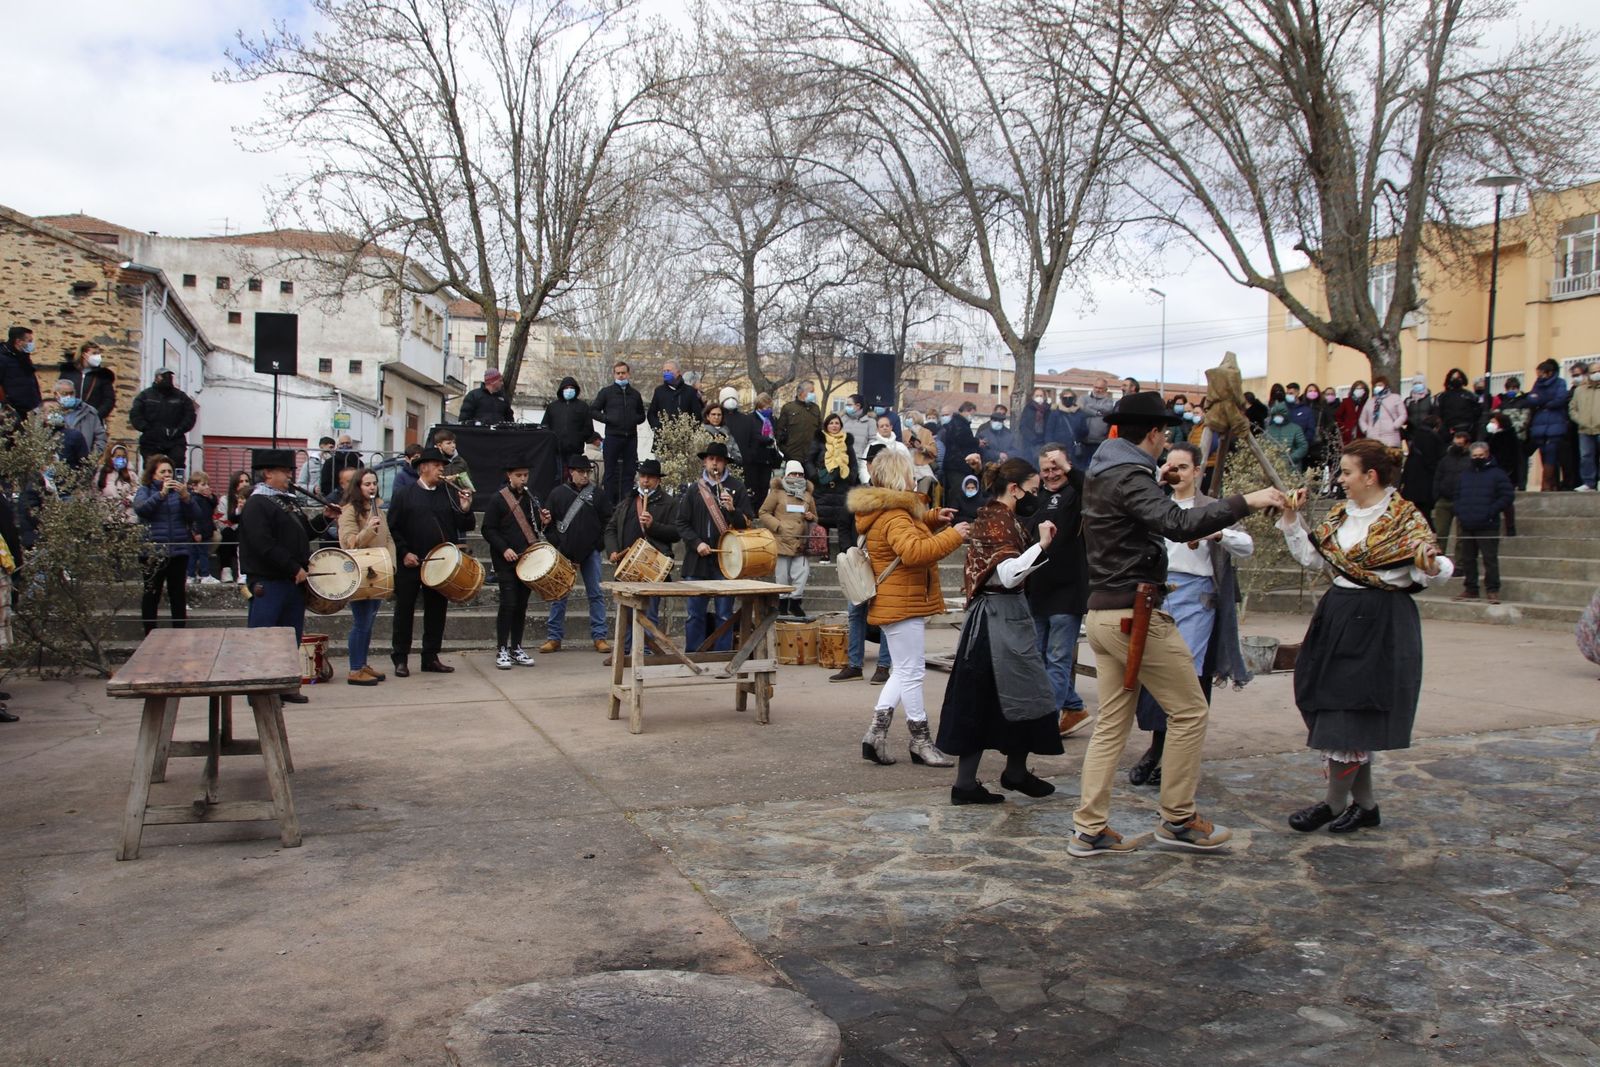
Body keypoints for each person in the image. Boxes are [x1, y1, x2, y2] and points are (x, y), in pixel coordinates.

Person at [1069, 391, 1288, 857]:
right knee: (1190, 711)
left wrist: (1154, 474)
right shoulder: (1130, 475)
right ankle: (1179, 819)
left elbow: (1137, 504)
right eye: (1163, 435)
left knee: (1112, 722)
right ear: (1152, 434)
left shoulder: (1106, 472)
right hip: (1136, 612)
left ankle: (1089, 827)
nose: (1165, 443)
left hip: (1105, 613)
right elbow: (1176, 522)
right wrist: (1246, 500)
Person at [1276, 439, 1451, 834]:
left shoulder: (1405, 519)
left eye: (1347, 472)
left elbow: (1431, 569)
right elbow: (1314, 556)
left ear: (1370, 476)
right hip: (1337, 613)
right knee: (1329, 704)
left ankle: (1335, 803)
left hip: (1380, 619)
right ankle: (1366, 806)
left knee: (1350, 712)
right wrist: (1290, 518)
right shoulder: (1342, 515)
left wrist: (1432, 563)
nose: (1341, 479)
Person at [1126, 442, 1255, 787]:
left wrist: (1219, 532)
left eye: (1183, 467)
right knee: (1154, 673)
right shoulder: (1157, 506)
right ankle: (1156, 749)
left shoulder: (1211, 508)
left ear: (1197, 471)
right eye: (1170, 467)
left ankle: (1174, 756)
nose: (1176, 473)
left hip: (1197, 601)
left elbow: (1247, 546)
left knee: (1186, 676)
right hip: (1159, 594)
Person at [851, 447, 969, 768]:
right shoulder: (895, 516)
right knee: (913, 673)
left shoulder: (888, 511)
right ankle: (920, 742)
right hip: (902, 603)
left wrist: (932, 518)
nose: (913, 477)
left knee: (903, 671)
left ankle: (875, 735)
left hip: (895, 601)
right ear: (897, 476)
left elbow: (907, 532)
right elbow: (915, 551)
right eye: (908, 472)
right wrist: (955, 536)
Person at [387, 445, 475, 675]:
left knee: (437, 610)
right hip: (411, 562)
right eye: (437, 466)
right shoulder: (404, 494)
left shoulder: (447, 493)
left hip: (440, 563)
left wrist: (465, 508)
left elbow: (465, 525)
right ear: (423, 467)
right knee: (404, 610)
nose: (441, 470)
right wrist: (404, 552)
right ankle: (400, 657)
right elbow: (393, 528)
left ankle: (430, 656)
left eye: (442, 466)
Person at [237, 449, 315, 702]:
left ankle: (284, 685)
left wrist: (325, 517)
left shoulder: (286, 501)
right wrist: (293, 567)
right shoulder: (257, 503)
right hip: (269, 580)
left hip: (290, 581)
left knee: (290, 635)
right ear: (268, 473)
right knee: (265, 637)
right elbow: (263, 544)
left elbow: (304, 533)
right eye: (284, 472)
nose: (289, 476)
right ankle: (260, 692)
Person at [1027, 443, 1090, 737]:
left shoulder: (1079, 495)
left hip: (1067, 592)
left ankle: (1044, 724)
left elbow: (1092, 487)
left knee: (1057, 660)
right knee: (1038, 660)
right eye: (1046, 469)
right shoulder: (1041, 498)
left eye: (1057, 468)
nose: (1051, 474)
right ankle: (1074, 708)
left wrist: (1070, 471)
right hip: (1038, 591)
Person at [677, 441, 753, 654]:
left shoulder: (737, 487)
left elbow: (746, 523)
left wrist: (732, 509)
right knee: (695, 613)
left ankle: (723, 656)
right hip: (697, 561)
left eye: (719, 460)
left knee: (724, 614)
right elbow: (682, 523)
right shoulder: (694, 490)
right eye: (711, 459)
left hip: (726, 561)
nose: (715, 464)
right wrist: (696, 543)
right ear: (704, 462)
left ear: (725, 463)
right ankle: (694, 655)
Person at [604, 458, 679, 649]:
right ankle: (626, 651)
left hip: (653, 565)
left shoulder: (669, 503)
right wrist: (613, 550)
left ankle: (646, 651)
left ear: (658, 481)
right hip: (628, 565)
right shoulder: (628, 501)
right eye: (643, 476)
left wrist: (653, 526)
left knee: (649, 611)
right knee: (627, 611)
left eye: (650, 478)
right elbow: (611, 528)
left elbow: (677, 533)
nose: (645, 481)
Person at [540, 455, 612, 653]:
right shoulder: (557, 494)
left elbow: (608, 522)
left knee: (595, 595)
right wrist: (559, 544)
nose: (585, 475)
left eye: (587, 472)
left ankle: (600, 636)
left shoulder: (598, 495)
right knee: (559, 595)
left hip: (591, 552)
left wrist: (598, 545)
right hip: (564, 553)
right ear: (571, 472)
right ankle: (554, 637)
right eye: (581, 472)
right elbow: (548, 524)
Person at [482, 458, 548, 668]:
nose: (523, 479)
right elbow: (488, 529)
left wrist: (543, 520)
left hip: (526, 558)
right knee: (508, 603)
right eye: (518, 475)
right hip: (506, 560)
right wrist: (504, 548)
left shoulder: (530, 498)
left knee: (521, 605)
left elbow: (534, 528)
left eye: (525, 475)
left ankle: (516, 647)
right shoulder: (498, 499)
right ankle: (502, 648)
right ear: (509, 476)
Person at [132, 454, 202, 635]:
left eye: (169, 471)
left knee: (177, 594)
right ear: (153, 474)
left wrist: (187, 498)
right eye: (162, 471)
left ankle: (178, 633)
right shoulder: (145, 490)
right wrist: (161, 495)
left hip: (178, 551)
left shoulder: (180, 493)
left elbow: (195, 515)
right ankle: (149, 633)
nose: (167, 474)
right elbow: (142, 509)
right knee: (151, 594)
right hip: (153, 552)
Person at [337, 467, 394, 685]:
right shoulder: (349, 510)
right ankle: (354, 669)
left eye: (374, 483)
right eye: (367, 484)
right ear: (358, 487)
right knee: (361, 622)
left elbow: (388, 538)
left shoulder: (378, 509)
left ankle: (362, 663)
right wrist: (369, 528)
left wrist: (391, 565)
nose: (372, 487)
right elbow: (349, 542)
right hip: (360, 572)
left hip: (378, 571)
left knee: (369, 621)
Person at [1451, 441, 1514, 604]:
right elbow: (1456, 495)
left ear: (1487, 454)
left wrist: (1491, 511)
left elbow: (1507, 496)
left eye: (1480, 455)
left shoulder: (1498, 474)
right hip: (1467, 523)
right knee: (1468, 558)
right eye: (1474, 456)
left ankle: (1492, 590)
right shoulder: (1465, 475)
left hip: (1488, 524)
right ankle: (1471, 588)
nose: (1477, 458)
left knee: (1490, 559)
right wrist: (1460, 511)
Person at [758, 460, 818, 620]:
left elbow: (815, 517)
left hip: (801, 541)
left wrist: (811, 517)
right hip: (782, 540)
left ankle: (795, 602)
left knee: (801, 573)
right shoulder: (776, 493)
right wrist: (777, 526)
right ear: (787, 475)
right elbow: (763, 512)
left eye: (800, 474)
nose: (797, 477)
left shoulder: (807, 495)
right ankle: (782, 604)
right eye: (793, 474)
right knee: (782, 575)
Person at [592, 361, 647, 503]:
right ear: (614, 374)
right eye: (618, 373)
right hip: (612, 437)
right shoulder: (606, 392)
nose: (621, 376)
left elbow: (642, 415)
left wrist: (633, 419)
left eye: (623, 373)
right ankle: (609, 505)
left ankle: (627, 504)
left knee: (629, 473)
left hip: (630, 438)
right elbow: (593, 410)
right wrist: (607, 418)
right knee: (609, 472)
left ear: (628, 374)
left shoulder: (635, 394)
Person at [808, 412, 859, 552]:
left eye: (837, 423)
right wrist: (815, 477)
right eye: (831, 423)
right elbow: (809, 461)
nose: (834, 426)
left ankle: (844, 551)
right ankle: (824, 552)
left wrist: (850, 478)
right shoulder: (819, 441)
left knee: (842, 520)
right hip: (823, 488)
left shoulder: (846, 442)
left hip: (842, 488)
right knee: (823, 520)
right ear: (826, 425)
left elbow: (854, 464)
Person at [128, 367, 197, 464]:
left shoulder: (181, 397)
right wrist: (148, 429)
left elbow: (190, 415)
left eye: (169, 376)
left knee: (177, 465)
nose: (168, 379)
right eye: (164, 376)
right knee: (151, 467)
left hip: (175, 440)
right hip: (151, 440)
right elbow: (135, 414)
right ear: (156, 378)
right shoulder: (145, 396)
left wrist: (179, 429)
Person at [1525, 358, 1570, 492]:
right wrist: (1543, 399)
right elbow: (1531, 398)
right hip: (1539, 426)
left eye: (1541, 373)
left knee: (1552, 454)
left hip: (1555, 425)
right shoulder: (1537, 384)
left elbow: (1560, 399)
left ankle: (1547, 484)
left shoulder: (1560, 382)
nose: (1539, 376)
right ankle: (1552, 484)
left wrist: (1542, 401)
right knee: (1543, 454)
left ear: (1549, 372)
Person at [1429, 428, 1472, 551]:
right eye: (1455, 444)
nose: (1456, 447)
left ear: (1467, 444)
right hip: (1444, 500)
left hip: (1463, 501)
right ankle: (1439, 562)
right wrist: (1436, 496)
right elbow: (1437, 477)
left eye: (1460, 444)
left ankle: (1459, 566)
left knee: (1461, 538)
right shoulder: (1445, 460)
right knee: (1441, 534)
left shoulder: (1470, 461)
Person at [1399, 415, 1445, 529]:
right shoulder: (1433, 437)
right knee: (1425, 514)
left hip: (1411, 482)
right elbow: (1432, 461)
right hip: (1425, 483)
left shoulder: (1416, 435)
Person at [541, 375, 595, 473]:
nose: (569, 390)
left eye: (571, 388)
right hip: (556, 451)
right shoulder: (553, 407)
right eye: (566, 388)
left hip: (575, 451)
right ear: (561, 390)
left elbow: (588, 428)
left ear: (576, 390)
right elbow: (545, 426)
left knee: (574, 477)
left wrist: (578, 439)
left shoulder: (583, 406)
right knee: (557, 476)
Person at [56, 341, 117, 422]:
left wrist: (97, 415)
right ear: (84, 355)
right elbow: (60, 393)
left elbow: (109, 399)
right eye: (94, 353)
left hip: (92, 419)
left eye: (98, 353)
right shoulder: (69, 373)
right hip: (70, 418)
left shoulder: (102, 376)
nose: (98, 356)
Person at [940, 401, 983, 501]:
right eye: (972, 413)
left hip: (956, 463)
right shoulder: (959, 424)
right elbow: (962, 439)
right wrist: (976, 442)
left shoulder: (957, 423)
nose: (972, 416)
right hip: (957, 464)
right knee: (957, 492)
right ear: (967, 411)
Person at [53, 379, 106, 457]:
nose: (69, 396)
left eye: (71, 393)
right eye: (65, 393)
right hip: (58, 462)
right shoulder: (49, 411)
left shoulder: (89, 412)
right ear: (56, 394)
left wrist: (92, 457)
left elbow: (100, 437)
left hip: (83, 462)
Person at [776, 380, 824, 464]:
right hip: (793, 455)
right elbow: (779, 432)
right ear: (801, 392)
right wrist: (786, 451)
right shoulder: (789, 408)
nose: (813, 394)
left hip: (811, 457)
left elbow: (820, 431)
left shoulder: (815, 409)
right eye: (811, 392)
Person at [646, 360, 703, 430]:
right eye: (664, 371)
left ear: (678, 372)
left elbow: (697, 415)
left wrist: (688, 429)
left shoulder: (689, 391)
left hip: (684, 434)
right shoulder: (659, 391)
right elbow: (652, 414)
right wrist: (658, 427)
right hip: (663, 435)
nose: (666, 373)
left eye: (668, 371)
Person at [216, 469, 250, 582]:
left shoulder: (254, 498)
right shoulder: (225, 500)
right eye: (241, 481)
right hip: (231, 531)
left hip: (247, 531)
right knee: (226, 533)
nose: (244, 484)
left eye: (246, 481)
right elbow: (222, 520)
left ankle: (244, 573)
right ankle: (226, 570)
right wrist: (238, 509)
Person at [0, 326, 43, 416]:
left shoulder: (24, 357)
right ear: (18, 341)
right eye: (29, 341)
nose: (31, 344)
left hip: (32, 408)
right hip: (13, 411)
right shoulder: (3, 358)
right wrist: (7, 405)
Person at [185, 470, 219, 583]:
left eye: (207, 484)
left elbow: (214, 503)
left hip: (206, 530)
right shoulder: (194, 499)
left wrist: (211, 496)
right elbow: (193, 517)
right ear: (194, 486)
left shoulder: (205, 498)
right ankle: (204, 574)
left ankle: (191, 575)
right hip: (200, 532)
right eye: (203, 484)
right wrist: (196, 532)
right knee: (200, 553)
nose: (206, 487)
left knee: (196, 553)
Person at [1357, 375, 1407, 447]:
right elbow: (1362, 419)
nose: (1377, 387)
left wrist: (1395, 425)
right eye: (1376, 386)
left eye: (1380, 385)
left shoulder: (1395, 398)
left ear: (1386, 386)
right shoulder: (1370, 402)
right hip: (1373, 438)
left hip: (1391, 437)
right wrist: (1366, 430)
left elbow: (1403, 414)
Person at [1573, 361, 1600, 492]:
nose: (1596, 374)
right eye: (1593, 372)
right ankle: (1589, 483)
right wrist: (1580, 420)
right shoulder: (1580, 390)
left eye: (1598, 371)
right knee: (1586, 457)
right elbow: (1572, 408)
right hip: (1584, 429)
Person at [96, 443, 139, 526]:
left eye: (123, 457)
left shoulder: (131, 474)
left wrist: (129, 500)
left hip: (127, 519)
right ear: (111, 457)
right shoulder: (102, 474)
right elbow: (95, 493)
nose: (121, 459)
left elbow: (137, 491)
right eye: (118, 456)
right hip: (107, 518)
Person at [1079, 378, 1116, 466]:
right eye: (1096, 387)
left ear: (1106, 389)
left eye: (1100, 388)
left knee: (1096, 467)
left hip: (1100, 442)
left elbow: (1108, 409)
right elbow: (1081, 408)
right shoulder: (1083, 398)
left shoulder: (1109, 401)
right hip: (1083, 441)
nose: (1097, 390)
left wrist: (1090, 406)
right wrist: (1097, 413)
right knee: (1082, 467)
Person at [1434, 369, 1479, 436]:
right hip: (1448, 432)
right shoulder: (1443, 396)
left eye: (1458, 377)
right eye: (1453, 378)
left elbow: (1476, 413)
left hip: (1467, 430)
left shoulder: (1470, 396)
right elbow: (1439, 414)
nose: (1456, 380)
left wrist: (1471, 428)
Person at [1265, 401, 1308, 468]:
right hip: (1272, 466)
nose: (1277, 417)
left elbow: (1303, 447)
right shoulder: (1269, 429)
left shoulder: (1295, 429)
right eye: (1275, 415)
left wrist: (1290, 459)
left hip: (1291, 466)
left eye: (1279, 415)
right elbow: (1264, 446)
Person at [700, 399, 743, 466]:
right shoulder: (701, 433)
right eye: (713, 414)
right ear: (707, 416)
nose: (716, 417)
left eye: (719, 415)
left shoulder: (728, 434)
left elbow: (739, 457)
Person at [840, 394, 877, 470]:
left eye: (849, 405)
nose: (846, 407)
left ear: (858, 406)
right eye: (846, 405)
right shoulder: (843, 419)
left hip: (860, 462)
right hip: (842, 461)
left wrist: (865, 459)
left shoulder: (870, 421)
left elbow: (872, 441)